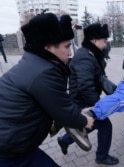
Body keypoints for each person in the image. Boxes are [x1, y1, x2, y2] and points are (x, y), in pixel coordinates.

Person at [0, 13, 94, 167]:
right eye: (67, 46)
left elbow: (56, 101)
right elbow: (64, 111)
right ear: (48, 47)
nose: (70, 52)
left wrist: (76, 112)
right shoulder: (44, 72)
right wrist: (85, 120)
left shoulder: (35, 62)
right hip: (9, 151)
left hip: (16, 144)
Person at [57, 23, 120, 165]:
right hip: (82, 101)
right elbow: (85, 86)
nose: (105, 44)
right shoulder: (84, 57)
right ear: (94, 40)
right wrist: (99, 107)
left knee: (89, 125)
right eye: (104, 41)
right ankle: (102, 157)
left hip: (85, 99)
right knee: (105, 126)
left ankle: (64, 140)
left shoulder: (92, 53)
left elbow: (98, 75)